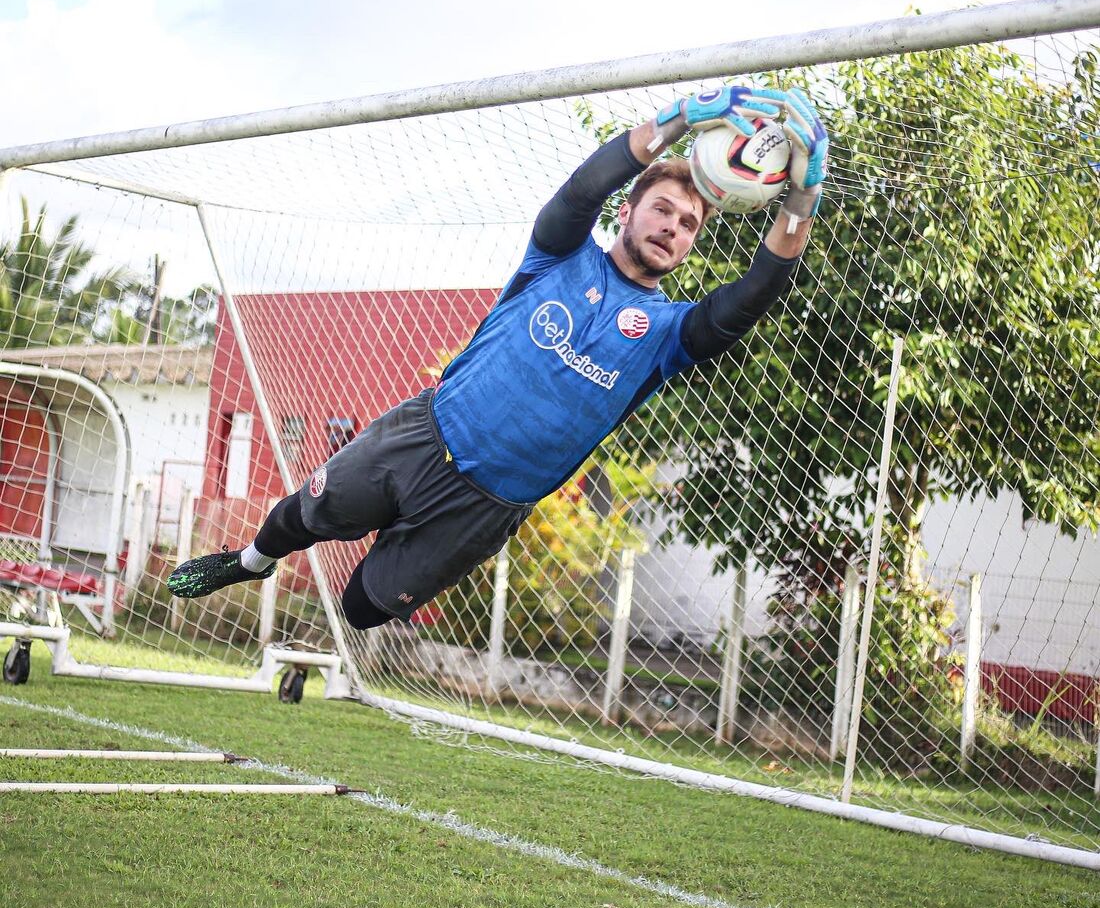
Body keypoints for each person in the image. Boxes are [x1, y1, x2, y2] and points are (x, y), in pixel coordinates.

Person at [168, 86, 828, 630]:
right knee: (303, 518)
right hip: (423, 436)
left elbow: (750, 298)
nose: (672, 229)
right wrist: (684, 116)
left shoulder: (668, 335)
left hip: (484, 506)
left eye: (688, 226)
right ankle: (252, 562)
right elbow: (581, 188)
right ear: (628, 212)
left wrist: (802, 199)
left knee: (362, 608)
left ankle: (384, 533)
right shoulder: (559, 256)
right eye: (662, 210)